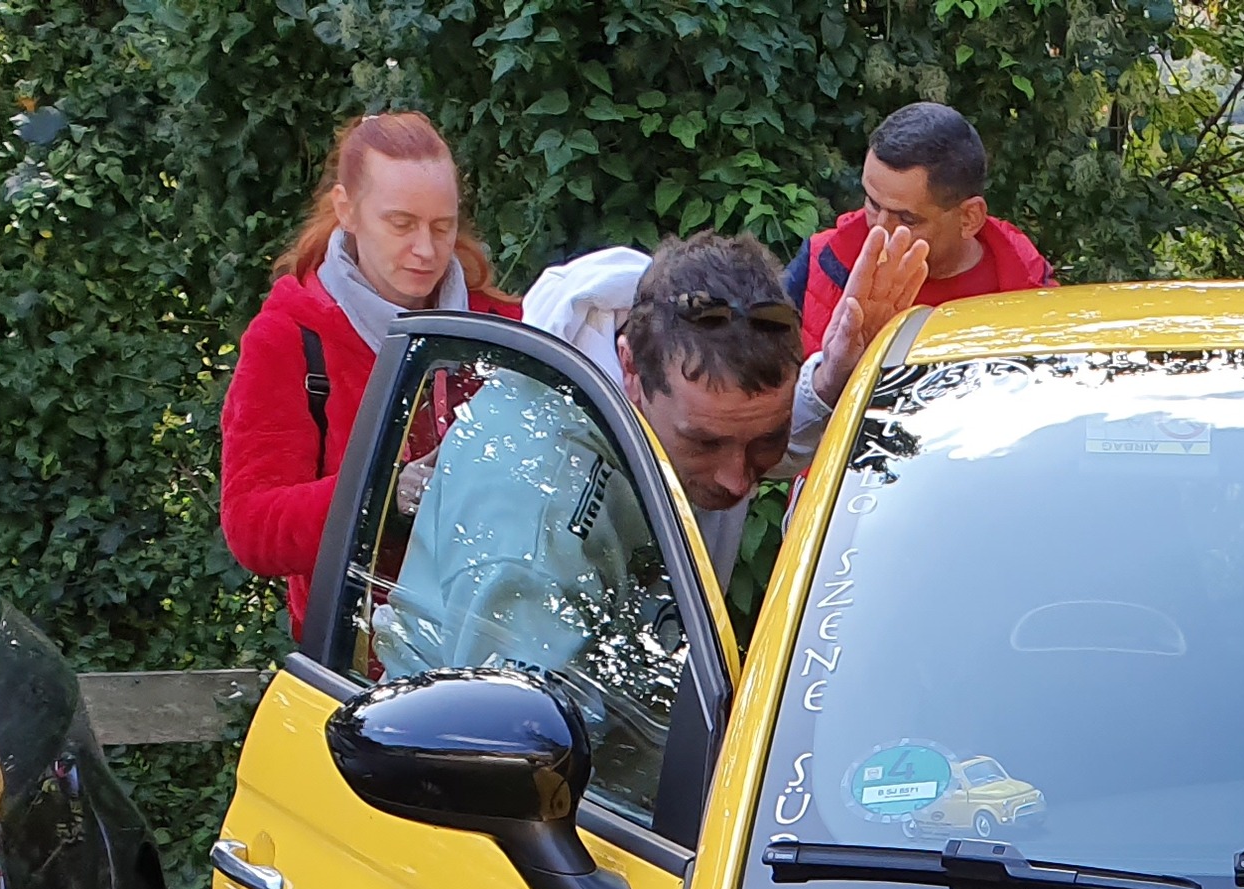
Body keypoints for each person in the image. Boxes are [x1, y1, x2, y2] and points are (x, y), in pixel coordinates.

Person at [383, 234, 808, 686]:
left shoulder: (666, 357)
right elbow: (516, 722)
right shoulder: (536, 517)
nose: (737, 481)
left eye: (767, 439)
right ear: (631, 369)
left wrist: (826, 386)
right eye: (703, 444)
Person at [220, 112, 518, 633]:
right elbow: (251, 527)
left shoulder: (501, 325)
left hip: (502, 640)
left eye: (442, 226)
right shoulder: (290, 337)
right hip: (360, 661)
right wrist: (382, 491)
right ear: (347, 210)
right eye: (401, 224)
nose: (426, 250)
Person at [793, 103, 1050, 359]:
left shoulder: (1029, 287)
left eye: (907, 219)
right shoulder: (819, 261)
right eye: (873, 203)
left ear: (969, 218)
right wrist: (833, 370)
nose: (879, 230)